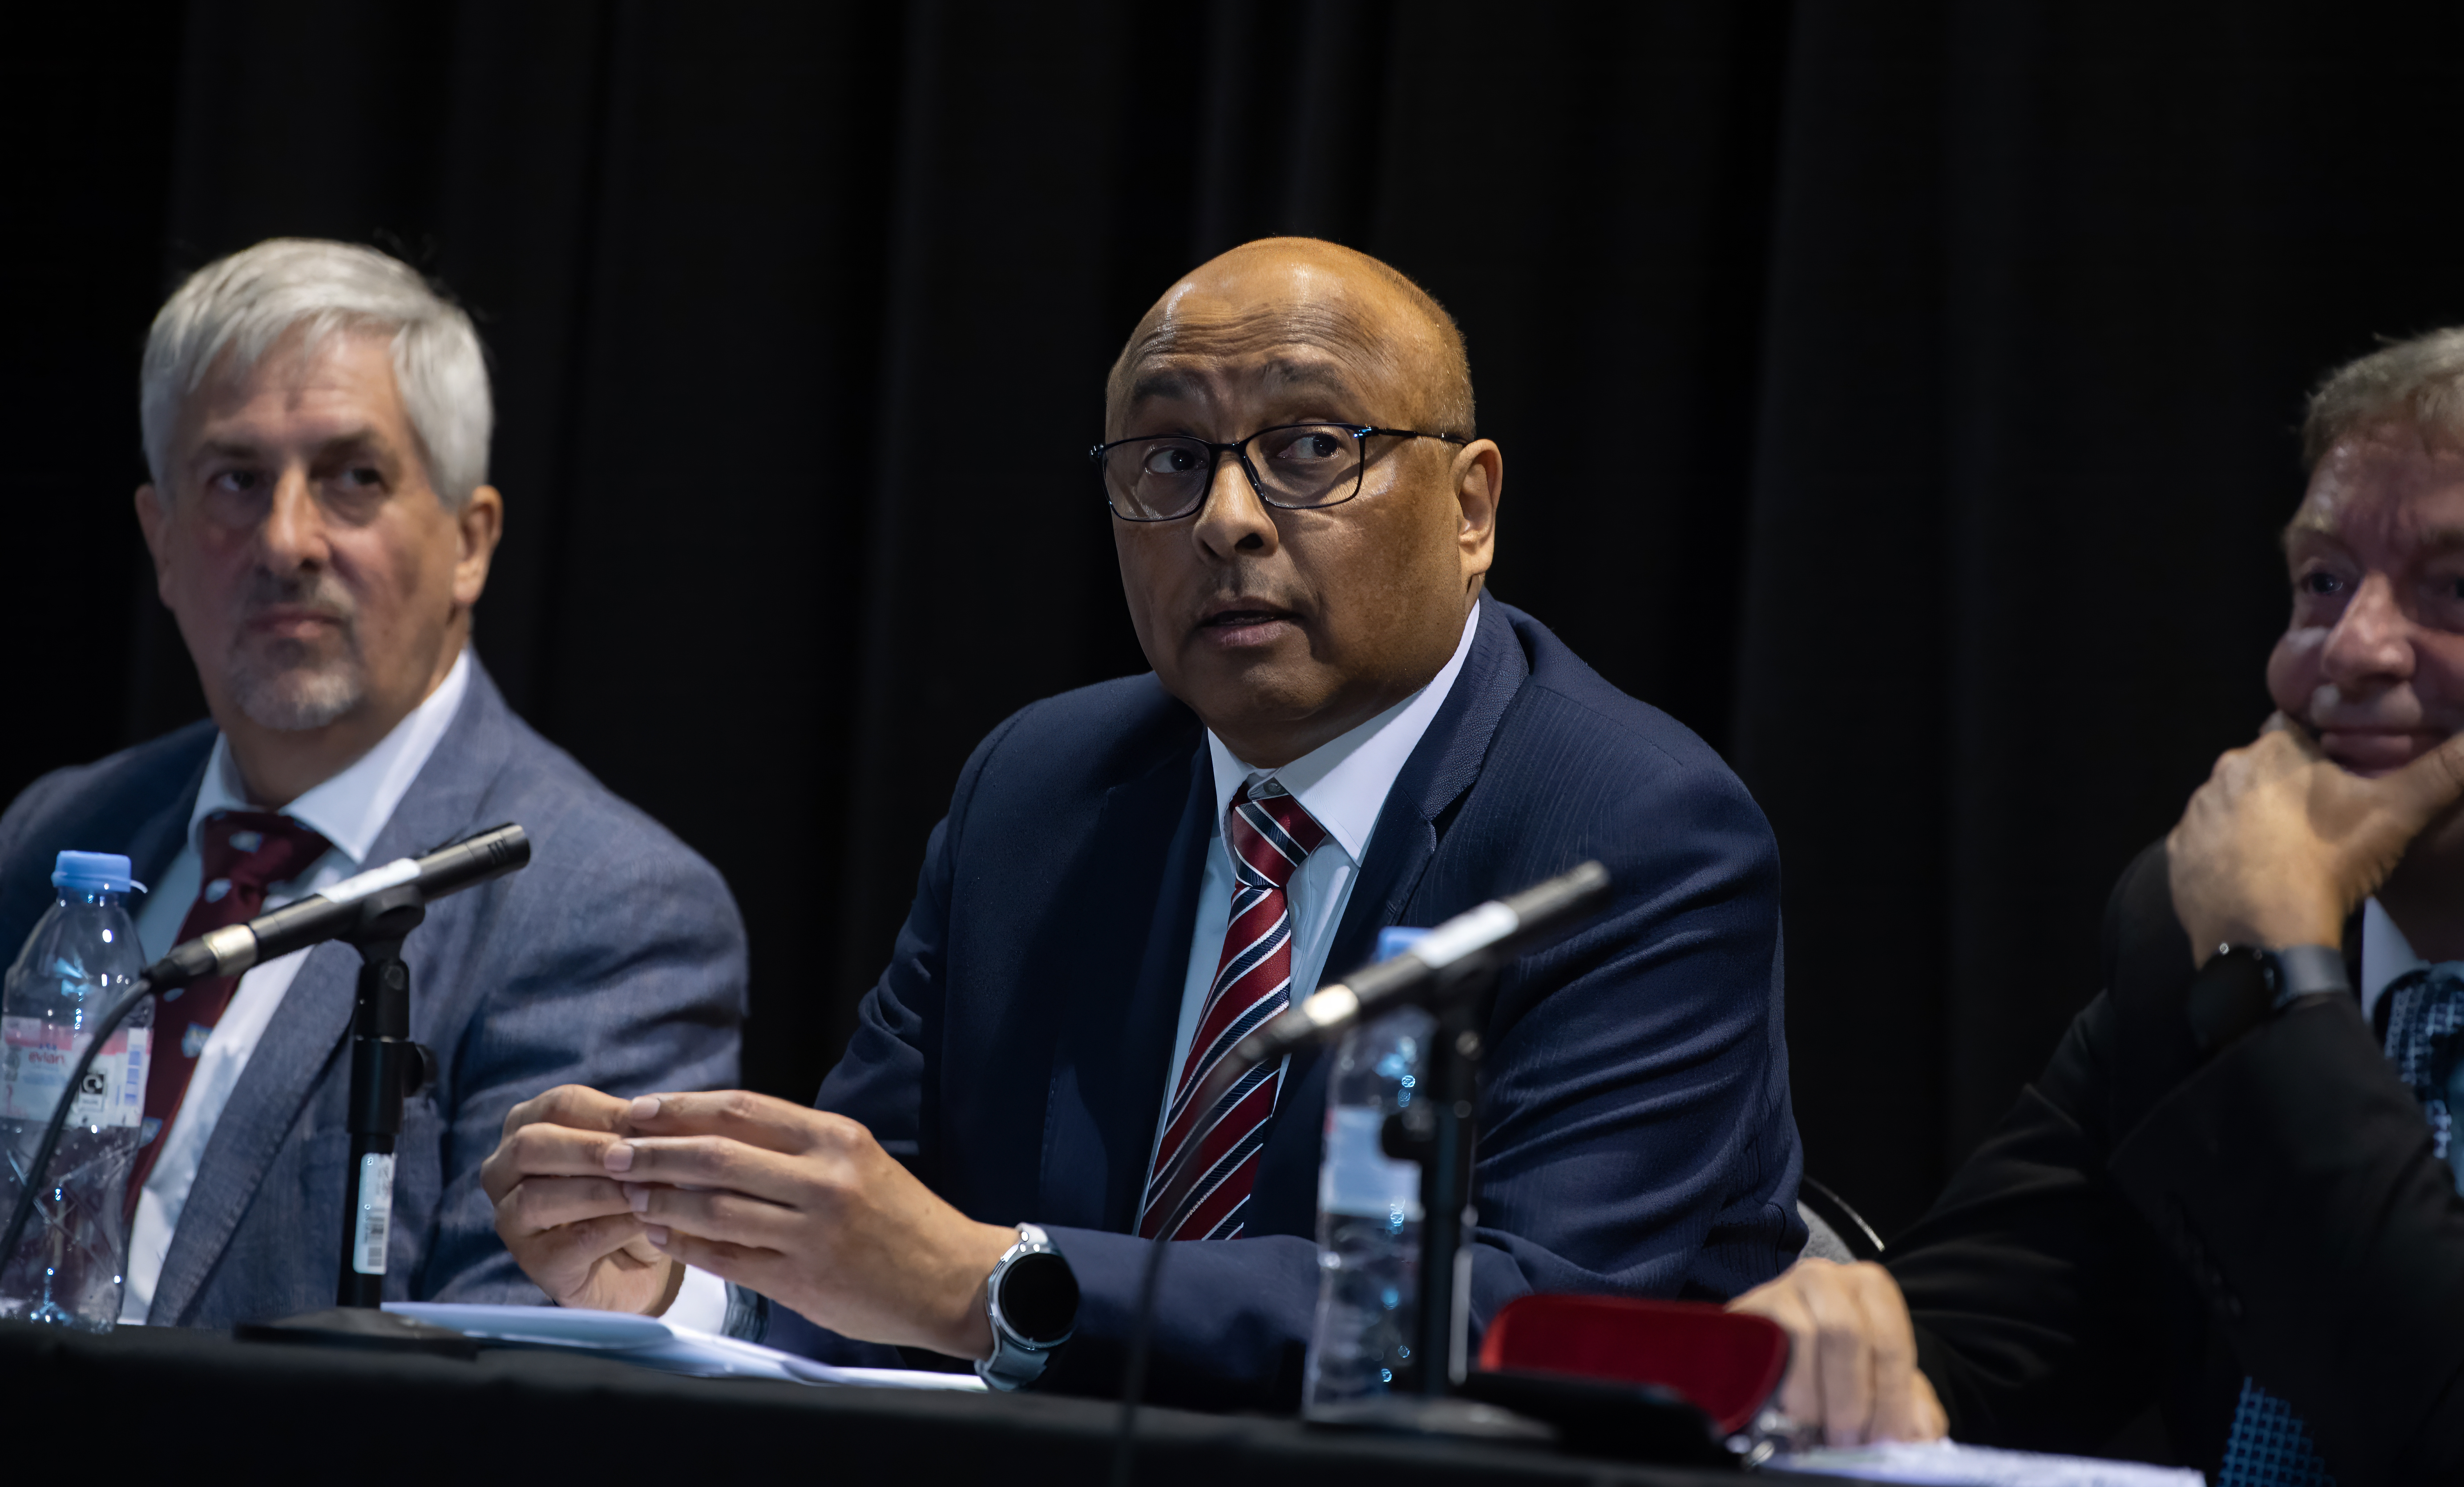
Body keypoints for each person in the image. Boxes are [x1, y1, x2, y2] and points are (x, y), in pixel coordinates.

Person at [484, 237, 1804, 1407]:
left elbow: (1522, 1315)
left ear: (1471, 508)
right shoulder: (1040, 793)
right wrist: (681, 1280)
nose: (1226, 521)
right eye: (1172, 460)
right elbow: (879, 1248)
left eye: (1309, 450)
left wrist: (1002, 1286)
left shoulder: (1629, 832)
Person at [1729, 323, 2464, 1487]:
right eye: (2323, 581)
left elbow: (2451, 1451)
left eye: (2462, 590)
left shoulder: (2249, 948)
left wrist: (2285, 982)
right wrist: (1852, 1349)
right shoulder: (2183, 936)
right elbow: (1983, 1349)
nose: (2353, 652)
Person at [0, 239, 745, 1329]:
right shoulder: (55, 831)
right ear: (161, 543)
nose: (287, 540)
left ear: (470, 542)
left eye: (354, 477)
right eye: (236, 479)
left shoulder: (609, 907)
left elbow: (513, 1379)